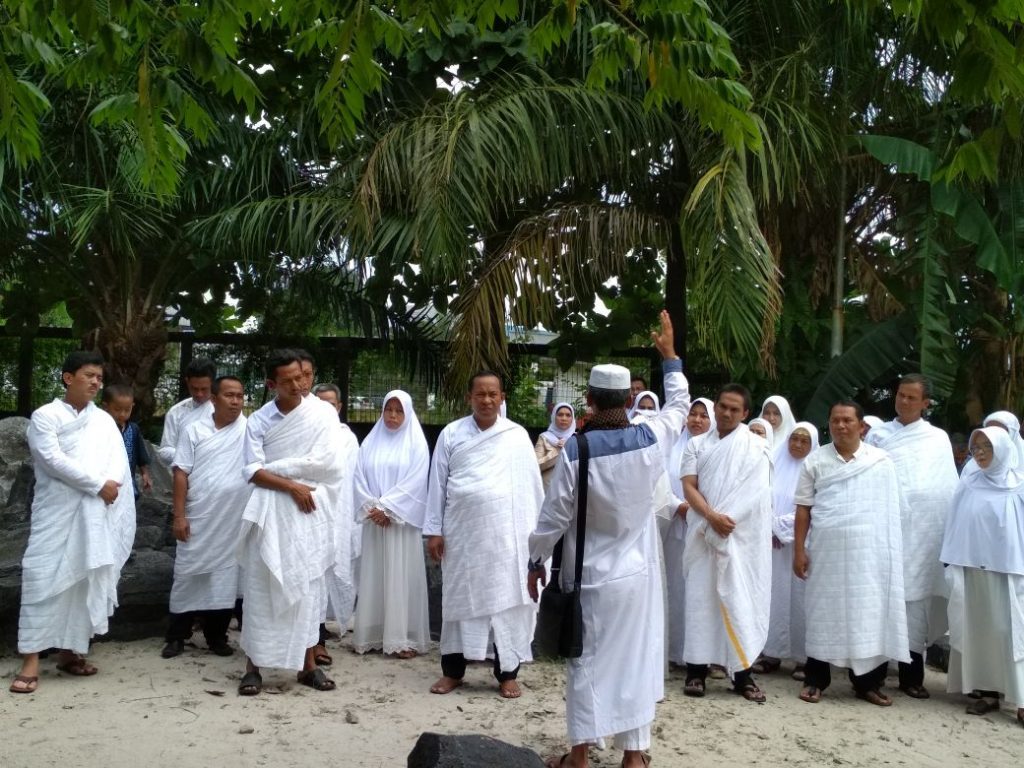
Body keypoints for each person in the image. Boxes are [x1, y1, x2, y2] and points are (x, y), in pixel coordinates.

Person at [528, 310, 689, 768]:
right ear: (629, 399)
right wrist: (670, 357)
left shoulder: (575, 450)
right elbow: (680, 405)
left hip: (589, 579)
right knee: (636, 662)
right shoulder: (652, 437)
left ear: (591, 401)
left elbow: (552, 519)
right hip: (638, 577)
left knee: (587, 663)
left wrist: (534, 561)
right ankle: (634, 757)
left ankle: (579, 757)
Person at [10, 351, 135, 694]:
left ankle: (69, 652)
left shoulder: (103, 421)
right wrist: (97, 485)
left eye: (100, 378)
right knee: (40, 579)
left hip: (94, 513)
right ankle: (31, 660)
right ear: (68, 378)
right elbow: (51, 459)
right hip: (55, 512)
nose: (96, 382)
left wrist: (110, 485)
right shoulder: (45, 416)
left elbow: (117, 462)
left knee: (81, 579)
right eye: (89, 375)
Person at [424, 370, 543, 699]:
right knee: (459, 599)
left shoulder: (517, 436)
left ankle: (507, 673)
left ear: (502, 397)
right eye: (480, 394)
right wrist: (434, 530)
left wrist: (535, 540)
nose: (487, 400)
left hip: (506, 538)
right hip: (462, 534)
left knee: (506, 603)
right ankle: (453, 671)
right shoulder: (451, 434)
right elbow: (437, 484)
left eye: (493, 394)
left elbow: (531, 490)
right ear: (469, 398)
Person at [236, 350, 346, 695]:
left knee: (307, 588)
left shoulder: (322, 413)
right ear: (272, 384)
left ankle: (307, 666)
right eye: (288, 381)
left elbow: (330, 465)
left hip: (309, 511)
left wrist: (278, 470)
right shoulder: (258, 421)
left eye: (301, 377)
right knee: (261, 588)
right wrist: (291, 485)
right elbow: (252, 471)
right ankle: (253, 668)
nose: (298, 385)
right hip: (270, 512)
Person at [793, 401, 909, 706]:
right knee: (822, 612)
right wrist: (799, 551)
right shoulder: (815, 460)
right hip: (825, 553)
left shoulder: (880, 462)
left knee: (867, 613)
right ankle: (815, 680)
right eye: (835, 420)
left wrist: (888, 556)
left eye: (847, 420)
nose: (841, 426)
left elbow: (890, 513)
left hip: (868, 557)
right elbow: (803, 508)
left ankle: (867, 684)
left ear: (862, 426)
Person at [865, 374, 958, 698]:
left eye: (911, 397)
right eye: (900, 395)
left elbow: (943, 490)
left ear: (925, 403)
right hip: (883, 530)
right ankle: (873, 676)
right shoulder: (878, 435)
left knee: (914, 607)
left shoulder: (936, 439)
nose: (904, 401)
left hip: (922, 536)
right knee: (881, 602)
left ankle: (911, 677)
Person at [681, 383, 773, 702]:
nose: (727, 413)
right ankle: (696, 672)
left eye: (735, 409)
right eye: (722, 406)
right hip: (703, 534)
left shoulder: (756, 447)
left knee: (741, 600)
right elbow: (689, 486)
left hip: (740, 537)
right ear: (715, 407)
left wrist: (726, 521)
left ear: (745, 413)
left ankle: (742, 675)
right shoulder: (696, 445)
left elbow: (756, 494)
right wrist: (711, 518)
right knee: (700, 601)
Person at [161, 376, 251, 659]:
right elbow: (180, 472)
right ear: (214, 399)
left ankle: (216, 637)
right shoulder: (194, 430)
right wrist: (179, 516)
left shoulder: (249, 430)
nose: (235, 401)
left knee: (225, 578)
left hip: (232, 520)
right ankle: (177, 636)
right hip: (199, 515)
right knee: (187, 574)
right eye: (229, 395)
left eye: (239, 396)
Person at [941, 427, 1024, 724]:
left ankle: (1021, 697)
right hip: (972, 569)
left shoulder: (1019, 486)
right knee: (981, 631)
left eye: (987, 446)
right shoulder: (969, 483)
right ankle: (987, 692)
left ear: (1002, 448)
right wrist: (951, 559)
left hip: (1009, 571)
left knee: (1010, 631)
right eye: (976, 447)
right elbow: (955, 522)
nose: (980, 452)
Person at [351, 391, 431, 658]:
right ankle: (373, 633)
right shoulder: (370, 442)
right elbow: (358, 476)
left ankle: (402, 638)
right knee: (374, 574)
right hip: (375, 523)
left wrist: (388, 509)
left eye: (399, 411)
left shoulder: (416, 444)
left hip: (400, 524)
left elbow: (416, 481)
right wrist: (373, 508)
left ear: (407, 413)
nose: (393, 416)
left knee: (401, 575)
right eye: (388, 410)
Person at [756, 422, 819, 678]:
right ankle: (771, 652)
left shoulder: (815, 468)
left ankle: (804, 658)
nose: (798, 444)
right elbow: (760, 497)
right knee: (774, 598)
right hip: (771, 545)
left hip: (802, 545)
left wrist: (780, 529)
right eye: (794, 439)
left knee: (801, 601)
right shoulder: (773, 464)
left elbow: (812, 507)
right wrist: (770, 528)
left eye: (804, 441)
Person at [665, 397, 715, 667]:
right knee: (676, 587)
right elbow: (660, 483)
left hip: (707, 528)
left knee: (702, 590)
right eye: (693, 414)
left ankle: (704, 656)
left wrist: (702, 512)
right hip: (676, 526)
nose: (696, 420)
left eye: (703, 416)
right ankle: (676, 651)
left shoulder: (717, 449)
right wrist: (679, 506)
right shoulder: (673, 447)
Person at [157, 357, 216, 466]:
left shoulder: (222, 411)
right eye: (195, 388)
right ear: (187, 382)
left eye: (204, 389)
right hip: (183, 473)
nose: (199, 394)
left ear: (212, 384)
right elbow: (164, 451)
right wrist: (188, 455)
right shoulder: (175, 412)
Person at [101, 384, 152, 498]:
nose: (122, 414)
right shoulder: (101, 427)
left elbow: (140, 454)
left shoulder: (134, 429)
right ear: (106, 406)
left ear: (132, 406)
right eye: (117, 409)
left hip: (128, 478)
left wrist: (145, 474)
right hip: (106, 480)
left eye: (127, 410)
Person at [535, 403, 576, 490]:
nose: (564, 418)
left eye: (568, 415)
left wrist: (569, 446)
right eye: (560, 415)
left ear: (572, 418)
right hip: (548, 489)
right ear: (554, 417)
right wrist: (558, 451)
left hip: (571, 489)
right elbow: (535, 465)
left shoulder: (577, 438)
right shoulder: (544, 437)